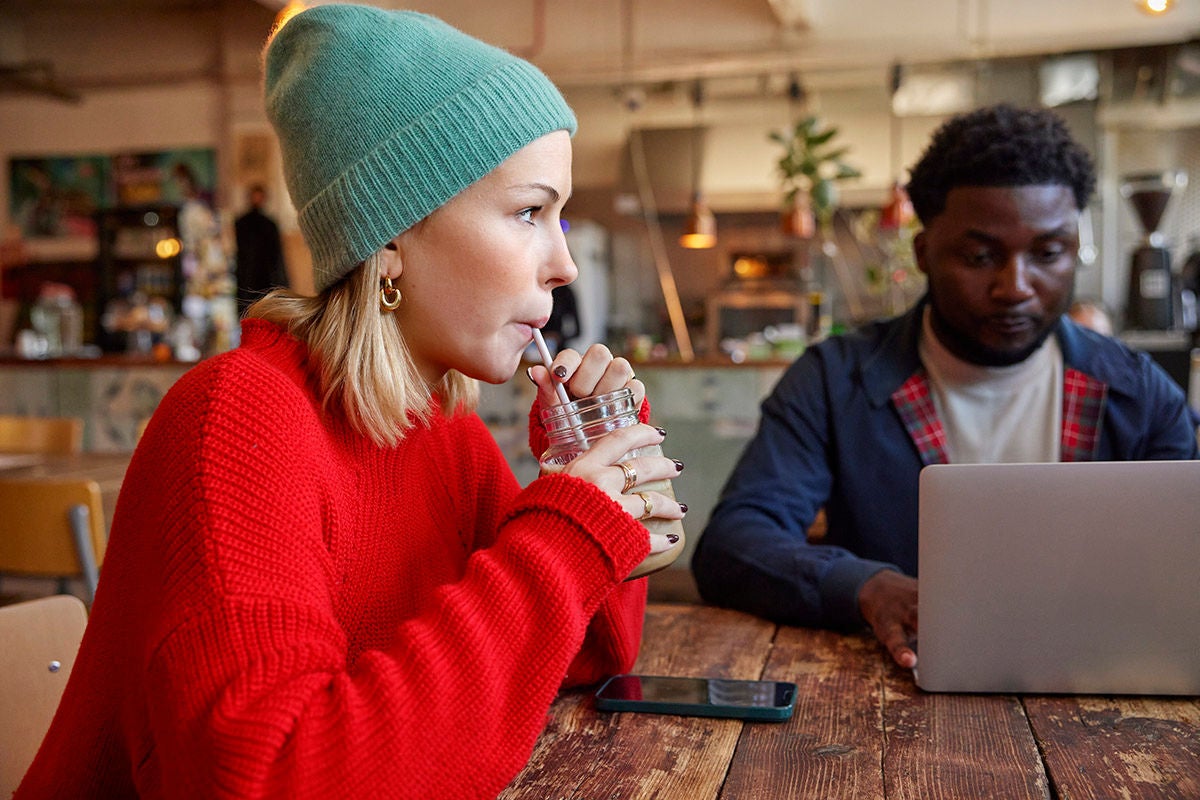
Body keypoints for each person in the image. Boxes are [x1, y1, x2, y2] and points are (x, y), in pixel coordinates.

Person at [17, 6, 685, 799]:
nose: (564, 265)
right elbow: (268, 778)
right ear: (392, 236)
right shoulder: (236, 419)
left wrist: (590, 481)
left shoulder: (445, 433)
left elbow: (575, 657)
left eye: (561, 218)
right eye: (529, 212)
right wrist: (565, 535)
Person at [692, 103, 1198, 671]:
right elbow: (733, 545)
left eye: (1049, 253)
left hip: (1104, 693)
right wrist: (868, 587)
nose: (1016, 287)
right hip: (895, 705)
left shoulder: (1139, 395)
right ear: (924, 252)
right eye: (980, 256)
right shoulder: (835, 381)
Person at [234, 183, 288, 314]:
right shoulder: (241, 223)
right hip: (247, 275)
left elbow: (277, 256)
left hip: (266, 276)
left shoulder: (270, 224)